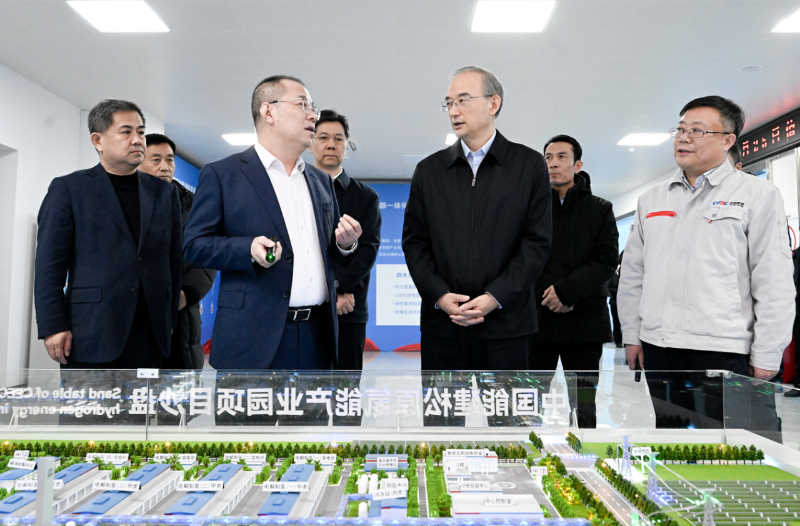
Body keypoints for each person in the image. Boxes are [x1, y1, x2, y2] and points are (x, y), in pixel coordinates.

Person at [619, 95, 793, 440]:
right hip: (660, 346)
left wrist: (767, 353)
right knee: (675, 445)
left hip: (724, 349)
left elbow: (773, 280)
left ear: (728, 140)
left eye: (697, 131)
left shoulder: (757, 194)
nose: (684, 138)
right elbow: (634, 274)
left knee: (741, 450)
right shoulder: (652, 199)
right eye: (680, 129)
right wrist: (632, 335)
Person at [183, 75, 362, 371]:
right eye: (303, 104)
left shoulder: (320, 181)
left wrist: (345, 246)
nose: (313, 115)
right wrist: (247, 249)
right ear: (268, 111)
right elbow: (194, 246)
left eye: (313, 108)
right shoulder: (223, 174)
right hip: (251, 337)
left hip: (317, 338)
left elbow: (326, 254)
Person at [402, 66, 551, 371]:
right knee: (443, 404)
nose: (453, 111)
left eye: (463, 100)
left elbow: (537, 242)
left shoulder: (528, 165)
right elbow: (415, 242)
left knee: (507, 404)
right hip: (444, 326)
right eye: (449, 103)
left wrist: (495, 297)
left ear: (493, 103)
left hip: (507, 327)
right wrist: (440, 295)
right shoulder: (429, 171)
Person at [35, 99, 182, 369]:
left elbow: (172, 263)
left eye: (140, 132)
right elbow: (49, 265)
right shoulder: (69, 189)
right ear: (98, 140)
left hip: (150, 332)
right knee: (89, 399)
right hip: (91, 329)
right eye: (126, 132)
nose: (137, 140)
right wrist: (53, 325)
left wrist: (169, 320)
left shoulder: (164, 193)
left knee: (143, 399)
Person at [529, 135, 619, 428]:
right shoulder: (530, 209)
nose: (553, 163)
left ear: (577, 165)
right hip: (538, 319)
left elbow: (605, 260)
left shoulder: (599, 208)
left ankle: (584, 450)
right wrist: (550, 294)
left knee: (584, 405)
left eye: (561, 157)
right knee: (528, 402)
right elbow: (521, 257)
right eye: (548, 157)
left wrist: (566, 292)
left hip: (584, 320)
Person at [309, 110, 381, 371]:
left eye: (338, 139)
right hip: (304, 309)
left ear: (346, 146)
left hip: (348, 307)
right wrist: (326, 293)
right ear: (310, 143)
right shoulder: (294, 191)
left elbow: (367, 252)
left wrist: (337, 289)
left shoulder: (366, 197)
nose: (331, 144)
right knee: (305, 389)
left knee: (345, 389)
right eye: (323, 137)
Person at [139, 133, 217, 370]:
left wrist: (185, 293)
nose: (165, 167)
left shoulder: (195, 206)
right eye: (156, 160)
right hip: (135, 314)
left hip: (181, 315)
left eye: (169, 160)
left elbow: (208, 256)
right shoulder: (125, 205)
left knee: (178, 386)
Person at [609, 251, 624, 348]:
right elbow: (609, 288)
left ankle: (624, 340)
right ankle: (617, 340)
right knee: (616, 322)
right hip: (615, 302)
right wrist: (620, 291)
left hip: (626, 303)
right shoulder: (613, 273)